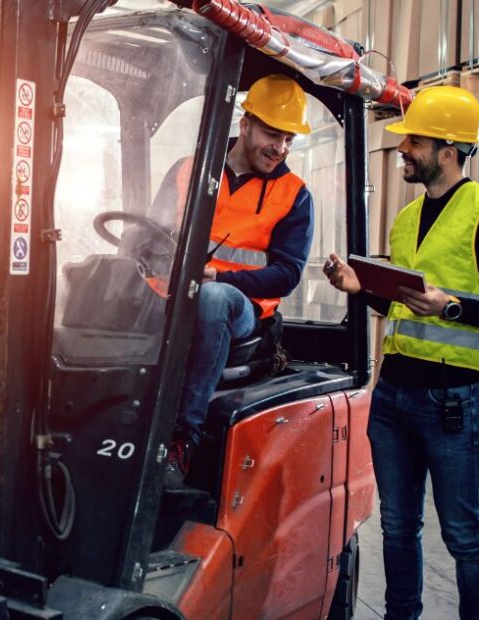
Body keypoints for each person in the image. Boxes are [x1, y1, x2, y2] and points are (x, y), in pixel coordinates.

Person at [323, 85, 479, 620]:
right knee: (396, 525)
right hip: (393, 398)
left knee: (465, 538)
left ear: (449, 152)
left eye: (414, 140)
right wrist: (358, 287)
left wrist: (453, 307)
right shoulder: (407, 218)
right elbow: (402, 308)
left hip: (453, 402)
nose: (402, 148)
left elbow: (441, 307)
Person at [162, 74, 315, 489]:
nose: (280, 148)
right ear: (245, 123)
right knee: (98, 273)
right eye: (272, 134)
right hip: (172, 296)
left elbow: (287, 274)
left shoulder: (294, 194)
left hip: (244, 312)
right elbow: (152, 235)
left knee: (213, 298)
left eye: (288, 139)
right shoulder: (189, 170)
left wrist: (220, 275)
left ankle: (183, 437)